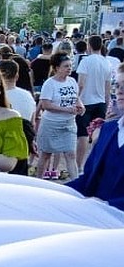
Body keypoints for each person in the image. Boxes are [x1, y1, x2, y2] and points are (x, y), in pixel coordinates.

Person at [67, 82, 124, 207]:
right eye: (118, 86)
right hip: (95, 218)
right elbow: (88, 180)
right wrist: (53, 192)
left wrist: (107, 205)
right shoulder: (108, 130)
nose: (119, 91)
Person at [36, 52, 83, 180]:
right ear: (57, 68)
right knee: (45, 155)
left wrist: (80, 106)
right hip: (51, 124)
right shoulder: (49, 84)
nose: (69, 68)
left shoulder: (72, 81)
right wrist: (66, 109)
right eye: (66, 66)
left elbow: (76, 97)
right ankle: (38, 180)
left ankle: (75, 184)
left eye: (70, 65)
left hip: (68, 124)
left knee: (71, 154)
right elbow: (46, 105)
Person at [76, 34, 114, 169]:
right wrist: (107, 104)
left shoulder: (85, 61)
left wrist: (76, 98)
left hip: (85, 101)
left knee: (83, 135)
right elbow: (107, 87)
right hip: (101, 102)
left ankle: (79, 166)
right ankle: (94, 164)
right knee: (97, 135)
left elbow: (81, 83)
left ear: (89, 46)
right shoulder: (107, 62)